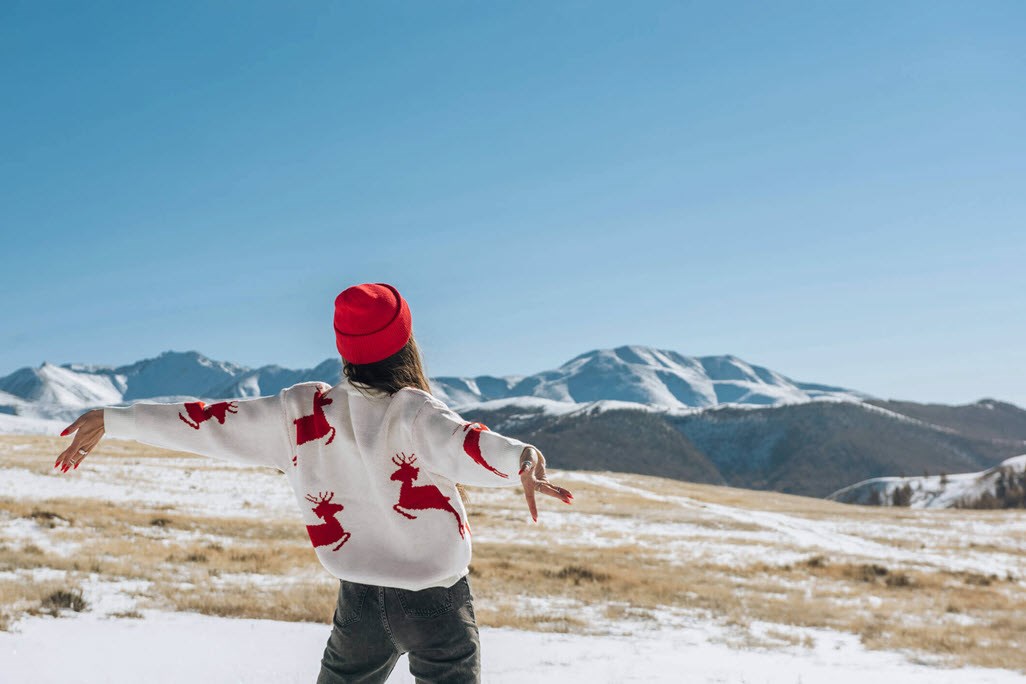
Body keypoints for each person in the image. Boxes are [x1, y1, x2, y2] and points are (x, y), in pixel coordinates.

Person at [54, 282, 574, 684]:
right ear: (405, 344)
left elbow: (210, 421)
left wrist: (117, 419)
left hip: (361, 603)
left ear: (345, 347)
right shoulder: (415, 415)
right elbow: (469, 442)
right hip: (439, 601)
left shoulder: (298, 413)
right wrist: (523, 460)